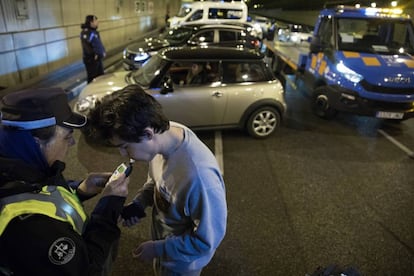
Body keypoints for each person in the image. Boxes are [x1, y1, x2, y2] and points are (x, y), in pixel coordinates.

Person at [86, 84, 227, 276]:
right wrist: (140, 202)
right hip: (165, 250)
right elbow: (157, 180)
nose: (122, 154)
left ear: (148, 133)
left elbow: (206, 241)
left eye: (125, 146)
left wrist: (158, 249)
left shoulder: (199, 178)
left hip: (181, 265)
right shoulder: (164, 139)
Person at [0, 88, 129, 275]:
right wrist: (107, 210)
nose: (72, 143)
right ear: (36, 141)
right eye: (67, 136)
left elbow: (40, 193)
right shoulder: (28, 228)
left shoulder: (26, 167)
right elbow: (87, 270)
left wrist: (80, 190)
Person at [80, 15, 106, 83]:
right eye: (96, 21)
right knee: (92, 79)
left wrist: (102, 52)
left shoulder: (94, 32)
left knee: (101, 77)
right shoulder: (86, 32)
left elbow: (98, 44)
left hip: (97, 59)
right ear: (91, 22)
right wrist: (94, 54)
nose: (97, 22)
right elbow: (86, 47)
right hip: (91, 60)